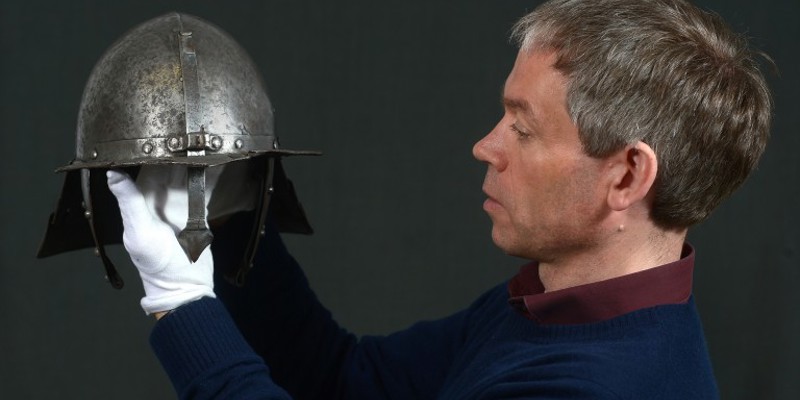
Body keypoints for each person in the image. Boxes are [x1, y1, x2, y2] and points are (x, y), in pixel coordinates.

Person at [106, 0, 772, 398]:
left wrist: (182, 304)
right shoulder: (551, 304)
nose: (486, 146)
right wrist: (230, 214)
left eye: (524, 126)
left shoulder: (601, 384)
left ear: (627, 176)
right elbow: (346, 382)